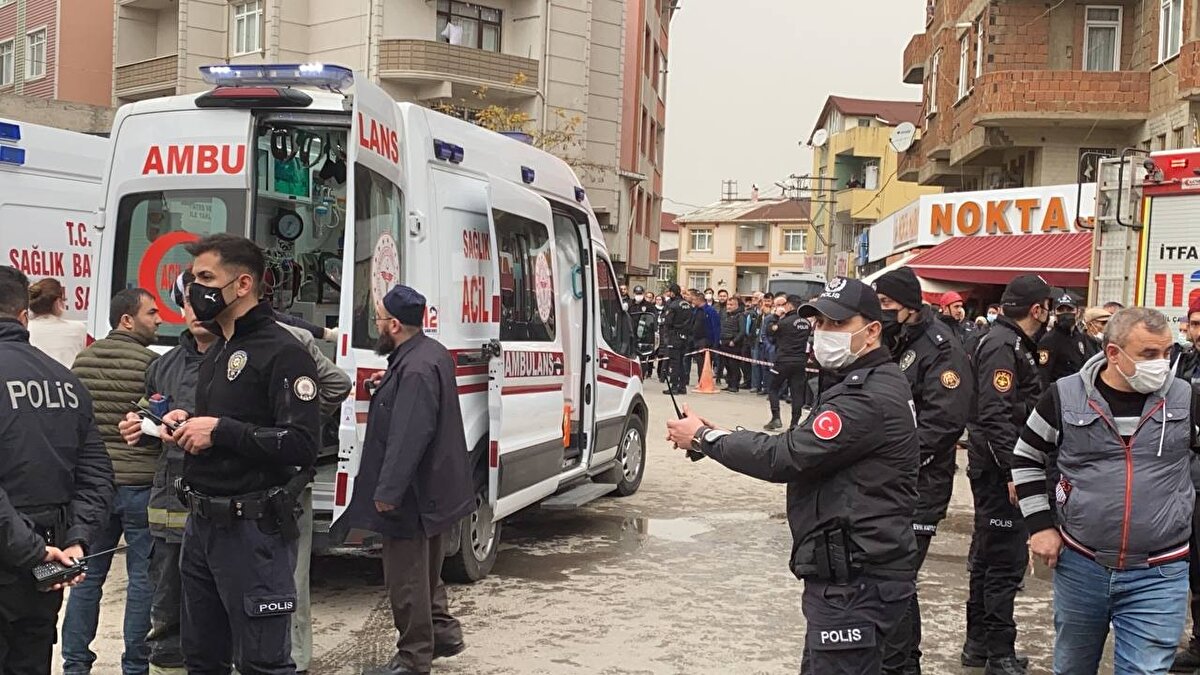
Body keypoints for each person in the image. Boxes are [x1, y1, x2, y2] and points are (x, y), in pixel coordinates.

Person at [665, 276, 919, 674]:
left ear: (871, 332)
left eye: (837, 325)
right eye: (819, 324)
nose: (823, 334)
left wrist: (703, 438)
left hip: (856, 582)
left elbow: (785, 457)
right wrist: (723, 436)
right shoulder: (857, 384)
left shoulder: (866, 396)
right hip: (852, 574)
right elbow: (803, 446)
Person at [117, 271, 350, 675]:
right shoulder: (168, 364)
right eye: (186, 301)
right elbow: (153, 411)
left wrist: (284, 429)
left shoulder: (279, 347)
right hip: (183, 510)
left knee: (269, 622)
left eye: (201, 297)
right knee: (179, 625)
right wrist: (147, 426)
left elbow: (323, 400)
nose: (193, 309)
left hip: (257, 509)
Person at [158, 234, 320, 674]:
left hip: (254, 532)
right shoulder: (217, 352)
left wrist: (222, 431)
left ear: (243, 284)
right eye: (193, 279)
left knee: (262, 663)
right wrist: (187, 425)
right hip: (201, 527)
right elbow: (224, 428)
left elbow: (302, 445)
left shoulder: (284, 352)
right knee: (201, 658)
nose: (194, 290)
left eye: (206, 278)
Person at [1016, 308, 1196, 674]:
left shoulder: (1186, 399)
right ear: (1114, 352)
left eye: (1166, 352)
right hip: (1082, 565)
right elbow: (1026, 457)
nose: (1161, 364)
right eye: (1148, 354)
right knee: (1072, 667)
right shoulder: (1064, 396)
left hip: (1160, 572)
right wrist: (1039, 525)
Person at [346, 285, 474, 675]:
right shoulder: (426, 353)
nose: (377, 326)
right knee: (426, 571)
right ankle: (443, 634)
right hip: (433, 491)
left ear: (396, 325)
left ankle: (413, 658)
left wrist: (387, 492)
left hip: (413, 495)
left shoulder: (415, 368)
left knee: (406, 580)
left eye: (380, 320)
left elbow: (408, 435)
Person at [0, 266, 115, 675]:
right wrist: (77, 541)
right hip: (46, 563)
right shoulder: (65, 381)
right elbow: (98, 473)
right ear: (22, 316)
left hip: (29, 553)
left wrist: (30, 548)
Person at [874, 266, 973, 673]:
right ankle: (900, 660)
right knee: (892, 580)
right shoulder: (893, 340)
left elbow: (944, 423)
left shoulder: (940, 348)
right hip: (887, 481)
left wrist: (898, 460)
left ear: (910, 306)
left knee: (896, 579)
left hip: (920, 483)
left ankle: (900, 664)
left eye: (886, 305)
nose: (880, 312)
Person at [62, 287, 162, 675]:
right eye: (151, 313)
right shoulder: (151, 366)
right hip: (140, 485)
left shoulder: (82, 362)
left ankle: (75, 664)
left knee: (84, 579)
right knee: (142, 582)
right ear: (126, 319)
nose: (159, 319)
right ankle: (135, 666)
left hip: (94, 491)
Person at [962, 274, 1052, 675]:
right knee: (1002, 562)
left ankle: (980, 644)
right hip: (1002, 470)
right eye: (1048, 307)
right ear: (1037, 309)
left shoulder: (1007, 340)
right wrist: (1015, 471)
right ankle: (998, 652)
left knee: (987, 557)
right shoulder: (1003, 343)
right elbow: (996, 415)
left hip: (997, 464)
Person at [1171, 299, 1200, 672]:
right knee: (1195, 567)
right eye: (1195, 322)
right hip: (1186, 479)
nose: (1199, 330)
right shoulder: (1183, 362)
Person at [765, 294, 811, 431]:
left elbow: (771, 331)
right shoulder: (807, 323)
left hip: (783, 360)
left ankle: (776, 418)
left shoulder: (784, 322)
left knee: (773, 388)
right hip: (800, 361)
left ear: (790, 305)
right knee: (797, 392)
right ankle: (794, 423)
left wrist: (775, 317)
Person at [26, 277, 87, 368]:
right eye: (64, 300)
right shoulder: (78, 328)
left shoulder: (25, 327)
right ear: (58, 302)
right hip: (68, 380)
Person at [1036, 291, 1090, 388]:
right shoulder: (1048, 341)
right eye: (1061, 310)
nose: (1065, 313)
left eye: (1069, 309)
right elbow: (1043, 376)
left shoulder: (1082, 338)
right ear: (1055, 314)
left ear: (1077, 312)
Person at [660, 284, 692, 395]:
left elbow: (668, 321)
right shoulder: (687, 304)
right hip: (685, 336)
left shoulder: (673, 305)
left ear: (673, 293)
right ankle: (682, 386)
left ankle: (674, 387)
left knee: (674, 363)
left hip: (674, 336)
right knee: (682, 362)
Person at [718, 296, 746, 392]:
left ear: (737, 305)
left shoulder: (741, 316)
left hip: (734, 344)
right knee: (727, 365)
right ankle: (729, 383)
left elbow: (742, 331)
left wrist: (734, 341)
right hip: (724, 343)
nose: (729, 307)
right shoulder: (726, 315)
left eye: (731, 305)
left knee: (734, 365)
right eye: (728, 305)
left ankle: (735, 385)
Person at [692, 289, 720, 384]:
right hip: (697, 340)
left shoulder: (711, 311)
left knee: (706, 363)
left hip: (707, 341)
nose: (693, 302)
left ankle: (705, 381)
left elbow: (715, 327)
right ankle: (701, 380)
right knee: (700, 363)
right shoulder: (696, 311)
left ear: (699, 300)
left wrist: (715, 343)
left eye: (694, 300)